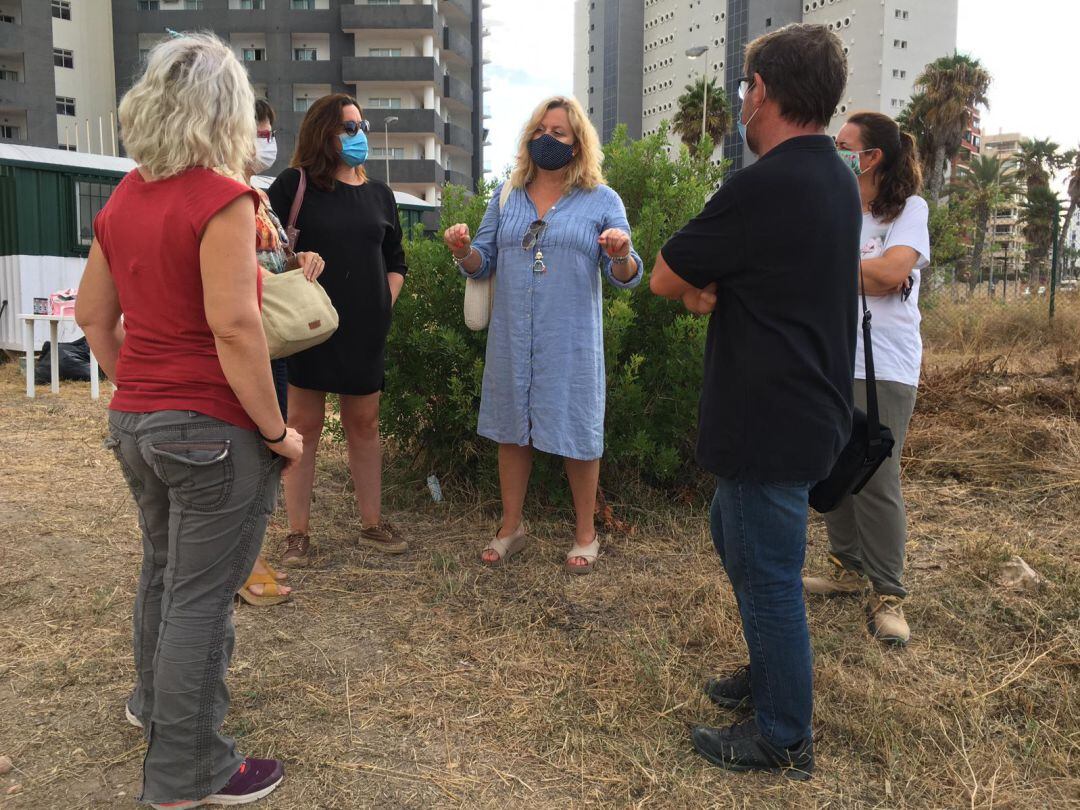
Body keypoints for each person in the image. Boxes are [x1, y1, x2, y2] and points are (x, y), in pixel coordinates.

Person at [74, 33, 302, 807]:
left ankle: (154, 706)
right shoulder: (222, 198)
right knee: (203, 594)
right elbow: (236, 330)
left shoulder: (125, 197)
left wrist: (137, 382)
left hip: (136, 421)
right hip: (211, 428)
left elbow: (92, 316)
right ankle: (189, 769)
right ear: (228, 111)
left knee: (164, 572)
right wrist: (277, 433)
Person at [649, 24, 860, 778]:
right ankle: (772, 671)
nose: (741, 101)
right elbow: (777, 273)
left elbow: (666, 275)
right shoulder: (834, 174)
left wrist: (706, 287)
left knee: (768, 572)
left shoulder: (763, 183)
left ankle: (783, 736)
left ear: (762, 91)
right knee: (733, 532)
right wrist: (722, 285)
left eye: (744, 88)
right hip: (812, 405)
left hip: (768, 411)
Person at [442, 95, 642, 573]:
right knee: (512, 430)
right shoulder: (507, 195)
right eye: (541, 130)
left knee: (578, 431)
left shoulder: (602, 200)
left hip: (569, 339)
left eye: (559, 133)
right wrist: (462, 250)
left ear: (577, 145)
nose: (547, 139)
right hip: (513, 337)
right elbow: (482, 262)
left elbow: (627, 276)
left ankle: (585, 534)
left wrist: (620, 251)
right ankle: (512, 527)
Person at [802, 111, 929, 646]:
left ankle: (888, 592)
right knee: (835, 466)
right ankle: (847, 568)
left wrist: (830, 268)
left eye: (845, 144)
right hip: (833, 356)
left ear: (871, 157)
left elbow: (891, 273)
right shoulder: (836, 209)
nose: (837, 150)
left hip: (885, 365)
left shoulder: (908, 211)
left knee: (876, 474)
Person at [267, 94, 408, 567]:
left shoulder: (380, 194)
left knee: (364, 426)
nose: (359, 134)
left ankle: (373, 523)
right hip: (310, 327)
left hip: (366, 333)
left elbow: (396, 261)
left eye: (361, 124)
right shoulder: (294, 185)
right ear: (323, 131)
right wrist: (296, 258)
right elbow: (264, 248)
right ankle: (297, 533)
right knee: (302, 427)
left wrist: (382, 306)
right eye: (349, 127)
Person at [238, 97, 326, 606]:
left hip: (271, 341)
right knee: (254, 452)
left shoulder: (255, 195)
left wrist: (301, 259)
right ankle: (243, 565)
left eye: (269, 132)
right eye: (258, 131)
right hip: (249, 342)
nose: (265, 142)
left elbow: (272, 259)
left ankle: (246, 557)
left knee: (259, 457)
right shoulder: (227, 197)